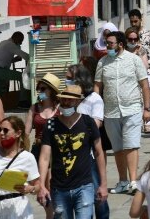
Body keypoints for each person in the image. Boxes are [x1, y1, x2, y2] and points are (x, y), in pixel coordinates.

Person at [94, 31, 150, 195]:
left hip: (132, 109)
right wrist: (96, 108)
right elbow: (97, 86)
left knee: (131, 145)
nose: (108, 46)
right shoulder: (102, 63)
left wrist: (147, 109)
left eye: (110, 43)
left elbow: (145, 85)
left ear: (120, 44)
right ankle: (123, 181)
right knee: (118, 148)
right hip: (111, 112)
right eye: (106, 43)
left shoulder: (134, 60)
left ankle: (133, 180)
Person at [38, 84, 107, 218]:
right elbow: (44, 157)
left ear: (78, 102)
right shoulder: (51, 125)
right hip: (59, 188)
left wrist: (103, 184)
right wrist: (41, 185)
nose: (66, 102)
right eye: (64, 99)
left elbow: (99, 153)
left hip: (84, 186)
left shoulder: (88, 123)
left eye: (70, 100)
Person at [67, 63, 110, 219]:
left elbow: (96, 125)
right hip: (70, 155)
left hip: (89, 154)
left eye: (69, 79)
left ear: (80, 79)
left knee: (97, 191)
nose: (67, 82)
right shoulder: (69, 100)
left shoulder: (94, 99)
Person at [25, 73, 60, 161]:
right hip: (38, 148)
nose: (40, 91)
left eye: (43, 89)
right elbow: (26, 132)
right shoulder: (34, 108)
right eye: (38, 88)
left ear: (52, 90)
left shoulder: (61, 108)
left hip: (56, 149)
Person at [0, 32, 28, 97]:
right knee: (22, 77)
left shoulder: (3, 42)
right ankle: (22, 101)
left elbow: (3, 60)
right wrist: (33, 59)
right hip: (0, 71)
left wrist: (15, 59)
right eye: (20, 40)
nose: (21, 43)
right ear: (16, 38)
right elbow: (25, 56)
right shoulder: (10, 44)